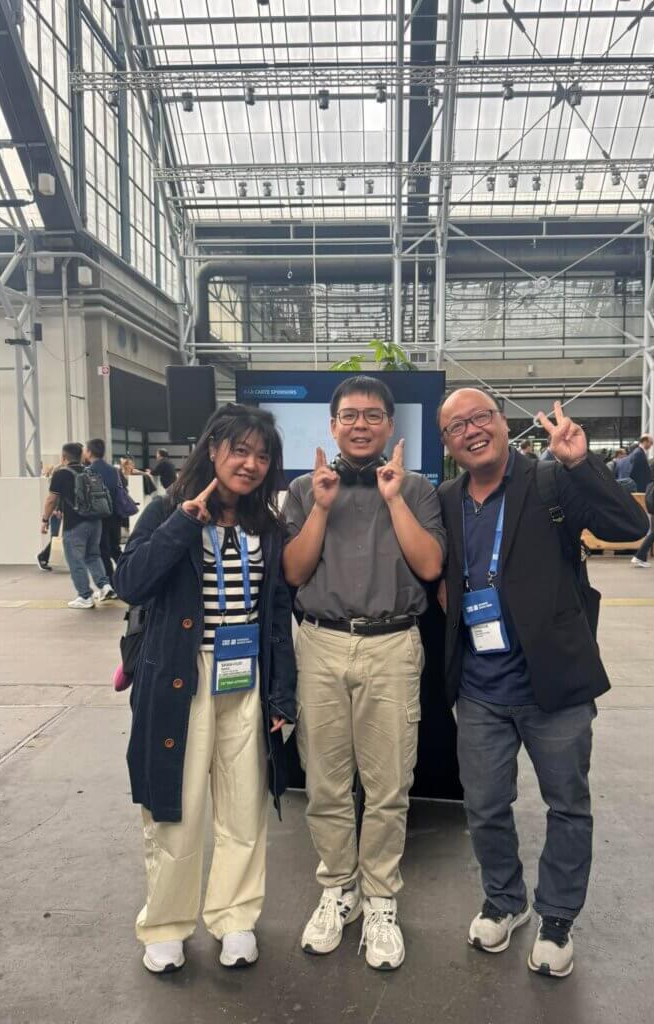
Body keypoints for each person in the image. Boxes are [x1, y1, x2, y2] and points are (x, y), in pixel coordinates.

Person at [436, 389, 647, 979]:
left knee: (567, 805)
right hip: (479, 687)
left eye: (481, 417)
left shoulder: (551, 481)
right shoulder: (447, 498)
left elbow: (631, 527)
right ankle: (505, 900)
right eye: (457, 425)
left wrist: (582, 464)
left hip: (554, 684)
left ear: (504, 424)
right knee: (483, 806)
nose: (472, 430)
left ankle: (557, 917)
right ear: (447, 443)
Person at [113, 404, 296, 975]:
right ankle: (166, 924)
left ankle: (235, 917)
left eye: (262, 455)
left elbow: (277, 616)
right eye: (240, 450)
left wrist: (281, 695)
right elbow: (130, 582)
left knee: (244, 807)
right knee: (178, 806)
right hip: (180, 677)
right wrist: (182, 524)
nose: (250, 464)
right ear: (212, 449)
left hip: (246, 680)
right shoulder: (168, 509)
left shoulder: (267, 526)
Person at [282, 375, 446, 971]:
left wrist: (395, 499)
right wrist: (321, 508)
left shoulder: (417, 488)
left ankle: (379, 898)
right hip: (320, 644)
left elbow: (430, 565)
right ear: (332, 425)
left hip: (392, 645)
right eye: (349, 415)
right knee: (325, 781)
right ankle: (338, 887)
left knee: (388, 784)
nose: (360, 425)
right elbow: (295, 572)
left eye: (372, 415)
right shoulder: (304, 489)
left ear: (390, 425)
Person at [40, 443, 114, 608]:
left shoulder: (61, 473)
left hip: (75, 524)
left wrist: (45, 520)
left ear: (63, 457)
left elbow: (51, 499)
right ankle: (104, 586)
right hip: (95, 522)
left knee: (75, 560)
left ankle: (85, 596)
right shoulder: (89, 471)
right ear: (81, 456)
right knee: (93, 556)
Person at [84, 438, 121, 587]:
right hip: (115, 514)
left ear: (89, 452)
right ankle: (130, 572)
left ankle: (111, 583)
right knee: (115, 548)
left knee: (103, 551)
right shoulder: (113, 470)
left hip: (99, 517)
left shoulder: (88, 471)